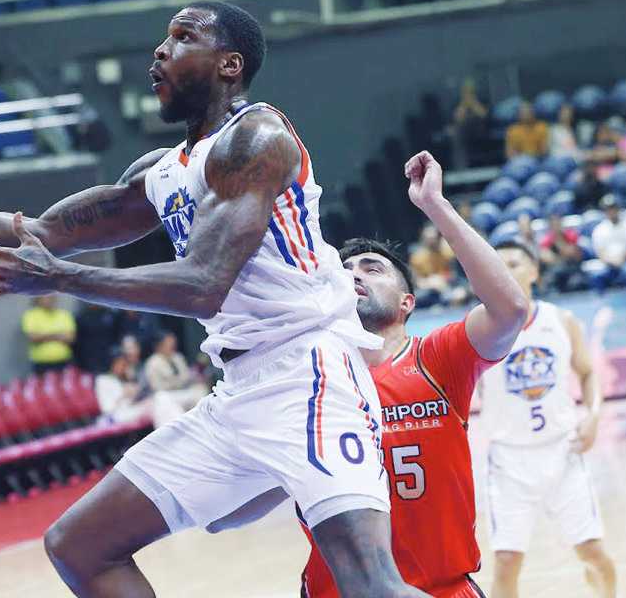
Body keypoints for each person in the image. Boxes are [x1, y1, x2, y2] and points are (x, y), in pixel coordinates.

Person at [0, 1, 427, 597]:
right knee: (80, 546)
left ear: (230, 64)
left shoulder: (257, 138)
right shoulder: (161, 171)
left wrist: (59, 278)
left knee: (370, 586)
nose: (160, 50)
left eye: (183, 37)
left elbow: (203, 282)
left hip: (309, 375)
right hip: (240, 391)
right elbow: (40, 234)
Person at [209, 150, 529, 597]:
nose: (354, 275)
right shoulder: (303, 383)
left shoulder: (438, 359)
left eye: (372, 268)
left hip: (440, 588)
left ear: (407, 303)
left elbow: (512, 309)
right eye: (343, 271)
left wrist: (435, 205)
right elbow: (226, 516)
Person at [481, 239, 616, 598]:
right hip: (509, 460)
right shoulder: (479, 327)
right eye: (498, 264)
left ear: (534, 271)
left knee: (593, 553)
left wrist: (594, 416)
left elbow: (588, 374)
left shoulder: (561, 320)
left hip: (563, 451)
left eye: (514, 263)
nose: (506, 270)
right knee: (507, 560)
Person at [586, 195, 626, 290]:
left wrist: (622, 259)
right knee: (597, 276)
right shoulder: (599, 229)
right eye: (608, 209)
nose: (611, 212)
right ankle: (601, 303)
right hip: (608, 264)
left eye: (613, 208)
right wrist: (612, 261)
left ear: (618, 209)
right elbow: (600, 252)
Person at [143, 332, 206, 414]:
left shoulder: (178, 357)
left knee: (200, 389)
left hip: (183, 391)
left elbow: (186, 376)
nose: (172, 345)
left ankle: (204, 419)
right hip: (168, 395)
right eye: (168, 342)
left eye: (173, 342)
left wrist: (195, 377)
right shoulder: (152, 362)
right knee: (161, 397)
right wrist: (177, 382)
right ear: (159, 345)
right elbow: (157, 387)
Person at [22, 294, 78, 374]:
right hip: (41, 363)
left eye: (51, 297)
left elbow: (70, 338)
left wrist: (44, 335)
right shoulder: (31, 315)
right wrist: (59, 335)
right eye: (46, 297)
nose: (49, 299)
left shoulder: (64, 314)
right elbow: (33, 338)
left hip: (64, 361)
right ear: (38, 299)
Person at [95, 352, 154, 425]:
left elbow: (133, 401)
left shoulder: (124, 378)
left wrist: (135, 392)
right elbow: (107, 408)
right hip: (115, 416)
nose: (123, 367)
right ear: (112, 364)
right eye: (120, 364)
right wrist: (123, 394)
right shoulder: (102, 380)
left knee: (152, 401)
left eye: (125, 364)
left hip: (131, 410)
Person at [538, 213, 585, 292]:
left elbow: (573, 253)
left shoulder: (571, 235)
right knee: (549, 279)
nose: (556, 226)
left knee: (576, 281)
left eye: (557, 223)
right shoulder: (546, 240)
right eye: (553, 224)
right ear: (550, 226)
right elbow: (546, 257)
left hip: (573, 269)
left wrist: (559, 241)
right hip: (556, 271)